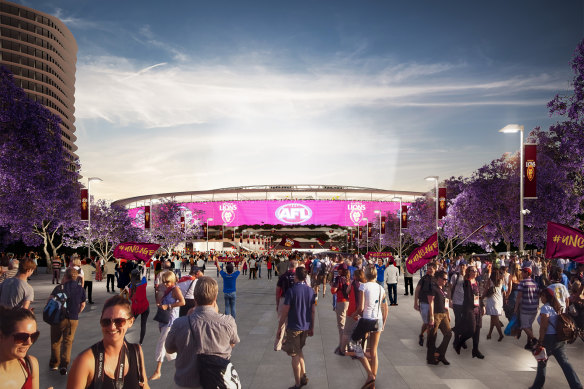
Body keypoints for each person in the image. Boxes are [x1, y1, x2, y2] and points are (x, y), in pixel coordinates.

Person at [166, 276, 240, 389]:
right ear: (215, 297)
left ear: (195, 297)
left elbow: (169, 348)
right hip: (217, 380)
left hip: (187, 382)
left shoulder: (180, 324)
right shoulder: (228, 321)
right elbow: (232, 343)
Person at [66, 296, 150, 388]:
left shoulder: (136, 353)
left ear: (130, 322)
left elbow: (145, 385)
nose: (112, 327)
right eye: (106, 322)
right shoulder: (85, 361)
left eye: (119, 321)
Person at [529, 289, 582, 389]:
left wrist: (540, 341)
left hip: (549, 339)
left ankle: (537, 386)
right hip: (559, 338)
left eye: (542, 296)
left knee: (542, 362)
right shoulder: (557, 307)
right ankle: (577, 385)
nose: (541, 298)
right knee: (565, 363)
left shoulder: (546, 308)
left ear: (546, 297)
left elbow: (543, 327)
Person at [276, 267, 316, 389]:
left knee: (294, 355)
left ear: (296, 277)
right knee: (299, 350)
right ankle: (303, 375)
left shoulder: (291, 291)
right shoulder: (310, 291)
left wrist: (279, 327)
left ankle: (298, 383)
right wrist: (312, 327)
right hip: (305, 326)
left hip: (294, 326)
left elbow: (285, 312)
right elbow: (313, 311)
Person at [350, 265, 388, 389]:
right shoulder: (381, 288)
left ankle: (370, 374)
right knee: (374, 351)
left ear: (366, 275)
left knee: (354, 345)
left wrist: (353, 315)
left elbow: (361, 308)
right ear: (376, 275)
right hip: (378, 320)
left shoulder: (363, 286)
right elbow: (383, 305)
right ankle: (372, 382)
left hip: (366, 319)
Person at [149, 270, 185, 381]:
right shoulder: (164, 288)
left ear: (173, 280)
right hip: (163, 318)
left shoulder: (175, 289)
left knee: (162, 343)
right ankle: (182, 367)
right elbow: (159, 302)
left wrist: (169, 305)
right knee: (169, 345)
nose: (165, 283)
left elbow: (182, 302)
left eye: (168, 281)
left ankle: (158, 370)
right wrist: (158, 295)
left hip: (171, 320)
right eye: (164, 281)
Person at [49, 267, 86, 375]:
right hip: (73, 319)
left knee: (55, 341)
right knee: (68, 342)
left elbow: (50, 300)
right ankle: (64, 365)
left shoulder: (59, 287)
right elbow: (83, 304)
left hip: (58, 318)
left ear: (65, 276)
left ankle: (54, 364)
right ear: (76, 277)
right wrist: (77, 312)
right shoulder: (80, 289)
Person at [0, 306, 40, 389]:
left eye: (34, 336)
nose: (29, 342)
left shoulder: (31, 365)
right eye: (21, 337)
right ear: (1, 336)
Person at [454, 266, 484, 359]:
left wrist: (482, 306)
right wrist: (474, 304)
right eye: (472, 271)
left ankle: (475, 350)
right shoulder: (466, 282)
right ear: (469, 272)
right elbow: (467, 297)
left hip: (477, 309)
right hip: (469, 309)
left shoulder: (477, 282)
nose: (475, 272)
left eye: (476, 271)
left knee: (477, 330)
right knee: (471, 330)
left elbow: (479, 296)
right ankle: (459, 342)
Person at [427, 270, 452, 365]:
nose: (446, 281)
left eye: (447, 279)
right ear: (439, 278)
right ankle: (430, 358)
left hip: (444, 314)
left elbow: (446, 302)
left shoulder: (444, 289)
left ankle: (440, 354)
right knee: (432, 337)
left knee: (449, 334)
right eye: (444, 279)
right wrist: (431, 317)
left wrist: (448, 313)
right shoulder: (433, 288)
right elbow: (431, 302)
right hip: (436, 314)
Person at [274, 260, 298, 351]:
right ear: (296, 266)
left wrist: (277, 303)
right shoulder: (298, 276)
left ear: (289, 265)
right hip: (294, 301)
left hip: (283, 299)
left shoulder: (283, 276)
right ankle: (291, 343)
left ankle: (278, 345)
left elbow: (277, 291)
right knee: (292, 323)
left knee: (281, 323)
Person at [515, 266, 540, 349]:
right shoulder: (535, 283)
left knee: (524, 326)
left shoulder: (522, 283)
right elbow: (538, 295)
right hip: (534, 309)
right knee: (529, 326)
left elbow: (518, 297)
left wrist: (516, 308)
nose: (521, 273)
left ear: (526, 273)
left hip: (525, 308)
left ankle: (535, 340)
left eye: (522, 272)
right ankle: (529, 343)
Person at [414, 262, 437, 347]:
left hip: (434, 304)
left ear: (435, 269)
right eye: (428, 268)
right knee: (428, 323)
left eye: (431, 268)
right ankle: (429, 341)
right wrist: (415, 303)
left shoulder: (437, 279)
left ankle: (422, 335)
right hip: (424, 303)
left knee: (429, 322)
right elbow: (417, 290)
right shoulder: (424, 279)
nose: (429, 270)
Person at [330, 263, 350, 356]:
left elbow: (333, 290)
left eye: (339, 269)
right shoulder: (349, 278)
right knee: (347, 325)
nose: (337, 271)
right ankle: (347, 345)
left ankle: (342, 347)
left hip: (341, 302)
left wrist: (332, 285)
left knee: (341, 325)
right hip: (349, 303)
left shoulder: (339, 278)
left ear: (342, 270)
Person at [128, 269, 150, 345]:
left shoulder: (131, 286)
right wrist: (144, 268)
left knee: (129, 322)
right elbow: (144, 275)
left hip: (136, 308)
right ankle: (141, 342)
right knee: (143, 324)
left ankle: (122, 335)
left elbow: (131, 298)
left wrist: (128, 289)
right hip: (145, 306)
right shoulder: (143, 282)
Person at [484, 267, 505, 341]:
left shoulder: (490, 280)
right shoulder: (501, 280)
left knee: (494, 319)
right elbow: (503, 289)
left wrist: (482, 297)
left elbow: (486, 289)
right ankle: (489, 334)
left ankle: (501, 334)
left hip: (492, 300)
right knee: (493, 318)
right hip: (499, 300)